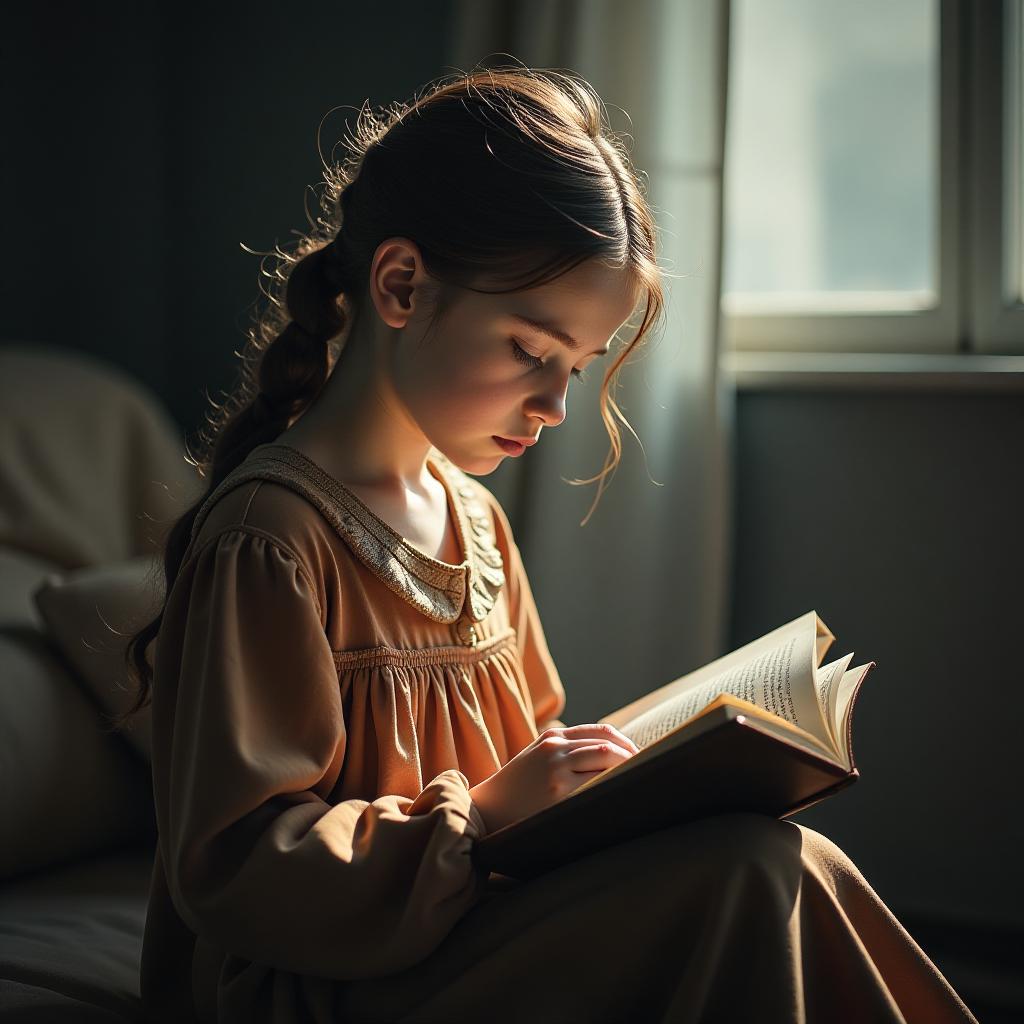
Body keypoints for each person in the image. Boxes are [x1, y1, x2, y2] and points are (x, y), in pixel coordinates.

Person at [120, 66, 978, 1024]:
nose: (557, 404)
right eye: (531, 350)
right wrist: (480, 817)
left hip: (467, 929)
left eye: (576, 366)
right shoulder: (271, 539)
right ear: (401, 285)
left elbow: (533, 754)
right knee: (743, 879)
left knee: (780, 854)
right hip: (317, 981)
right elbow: (239, 871)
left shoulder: (476, 523)